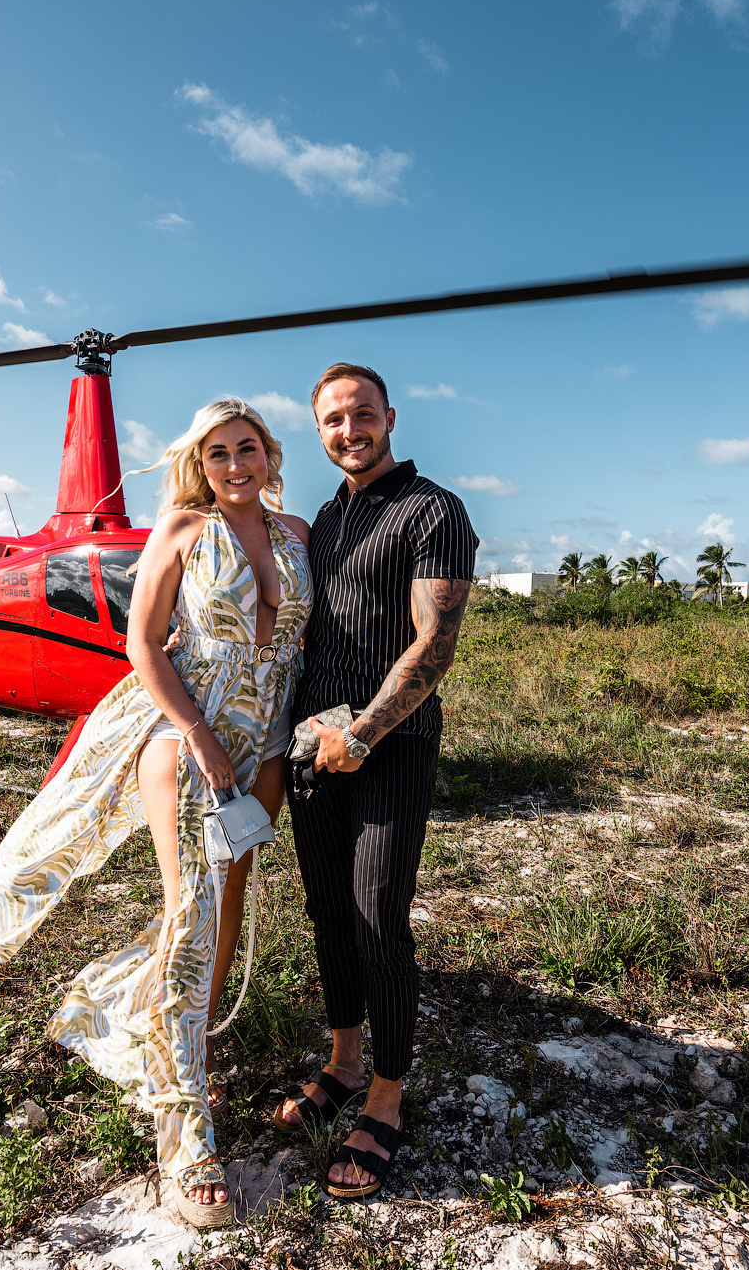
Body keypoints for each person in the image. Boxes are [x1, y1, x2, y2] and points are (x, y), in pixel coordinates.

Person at [0, 398, 311, 1228]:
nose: (235, 464)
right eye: (217, 453)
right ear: (200, 463)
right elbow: (144, 643)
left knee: (230, 901)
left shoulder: (298, 536)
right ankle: (183, 1126)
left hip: (271, 742)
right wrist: (199, 735)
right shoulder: (181, 530)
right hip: (190, 735)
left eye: (246, 448)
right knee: (192, 909)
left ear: (268, 452)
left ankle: (188, 1043)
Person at [272, 363, 477, 1200]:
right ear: (318, 432)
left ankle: (387, 1097)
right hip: (313, 746)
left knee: (377, 914)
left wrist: (363, 733)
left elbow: (433, 643)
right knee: (328, 910)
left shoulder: (435, 510)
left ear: (390, 416)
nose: (348, 430)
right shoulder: (323, 519)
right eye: (331, 420)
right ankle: (344, 1061)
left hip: (387, 745)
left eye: (361, 414)